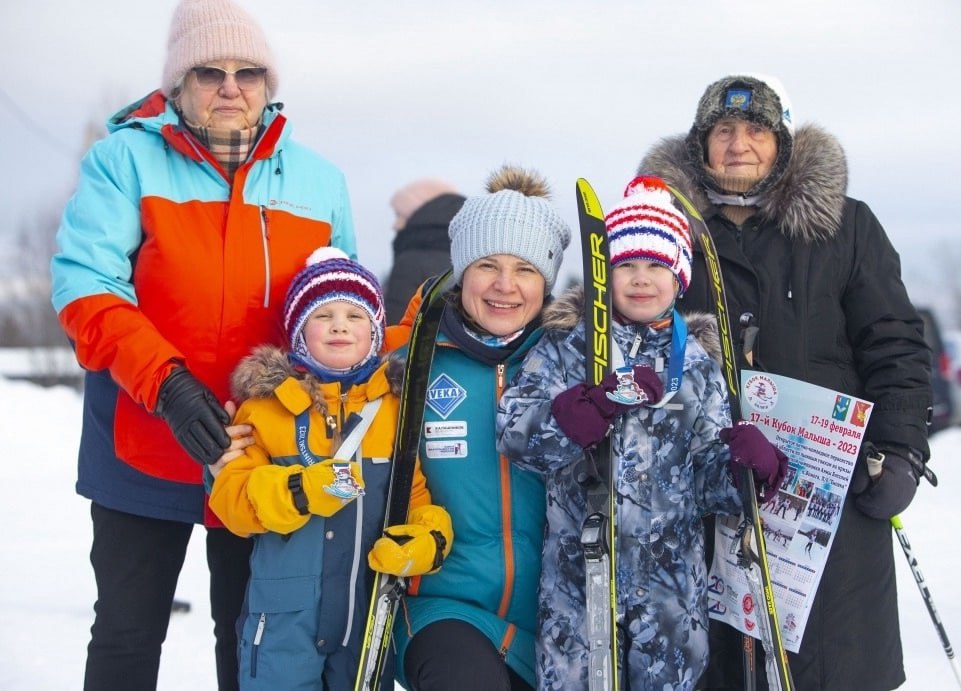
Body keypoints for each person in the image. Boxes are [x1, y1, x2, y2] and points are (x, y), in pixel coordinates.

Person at [49, 0, 356, 688]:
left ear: (268, 85)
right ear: (178, 84)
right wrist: (168, 382)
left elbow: (342, 310)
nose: (230, 87)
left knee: (253, 632)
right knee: (129, 628)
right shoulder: (122, 160)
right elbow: (85, 289)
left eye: (248, 73)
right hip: (143, 436)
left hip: (267, 449)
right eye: (209, 72)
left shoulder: (319, 181)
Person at [638, 73, 934, 690]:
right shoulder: (660, 237)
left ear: (783, 144)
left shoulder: (846, 228)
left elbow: (894, 342)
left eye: (755, 130)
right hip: (702, 489)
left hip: (828, 492)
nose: (738, 143)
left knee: (831, 666)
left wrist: (903, 448)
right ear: (701, 145)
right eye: (722, 130)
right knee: (714, 667)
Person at [496, 176, 788, 691]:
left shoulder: (698, 366)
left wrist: (750, 468)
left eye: (656, 265)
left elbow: (707, 485)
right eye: (625, 264)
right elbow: (516, 437)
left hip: (669, 589)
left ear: (679, 276)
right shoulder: (567, 347)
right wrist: (588, 406)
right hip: (578, 579)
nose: (640, 278)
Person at [207, 248, 453, 690]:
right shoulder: (264, 410)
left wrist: (427, 539)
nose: (340, 324)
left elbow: (416, 496)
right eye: (324, 314)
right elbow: (232, 501)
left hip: (366, 620)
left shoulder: (397, 410)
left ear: (376, 333)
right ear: (300, 331)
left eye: (355, 316)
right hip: (282, 624)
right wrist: (298, 490)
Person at [390, 164, 572, 690]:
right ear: (460, 271)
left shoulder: (571, 369)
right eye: (487, 265)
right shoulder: (412, 364)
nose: (504, 286)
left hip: (553, 625)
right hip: (442, 607)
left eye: (526, 269)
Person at [384, 178, 466, 323]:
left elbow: (394, 324)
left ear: (420, 212)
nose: (394, 225)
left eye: (400, 215)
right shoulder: (471, 255)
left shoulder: (410, 261)